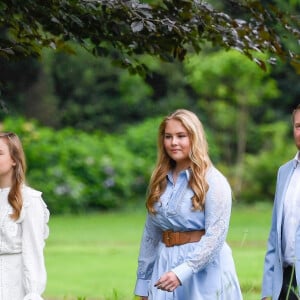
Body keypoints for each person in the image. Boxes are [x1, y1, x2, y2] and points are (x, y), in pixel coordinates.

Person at [134, 109, 242, 300]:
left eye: (181, 136)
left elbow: (216, 236)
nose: (173, 142)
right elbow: (150, 234)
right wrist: (143, 283)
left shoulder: (213, 180)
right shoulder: (159, 180)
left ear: (195, 138)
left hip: (203, 272)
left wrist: (183, 271)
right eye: (168, 137)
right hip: (164, 268)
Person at [0, 132, 50, 300]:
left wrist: (32, 293)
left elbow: (33, 252)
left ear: (14, 159)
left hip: (13, 289)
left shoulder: (29, 200)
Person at [262, 104, 300, 300]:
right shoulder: (284, 172)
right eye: (298, 126)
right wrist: (268, 292)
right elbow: (274, 235)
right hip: (285, 280)